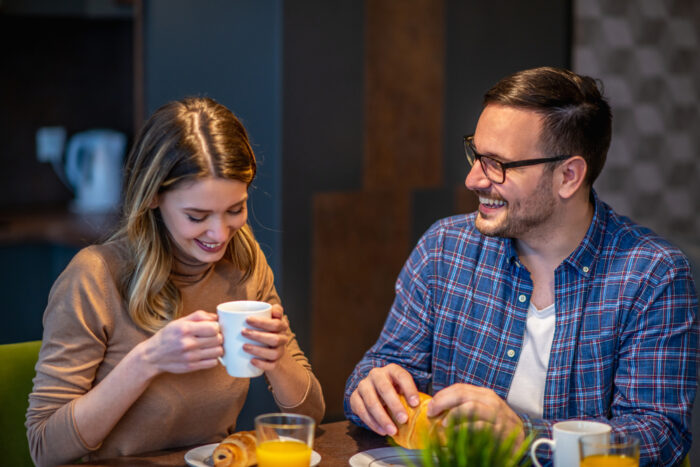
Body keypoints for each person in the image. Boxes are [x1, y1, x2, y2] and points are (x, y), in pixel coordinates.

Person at [344, 67, 697, 466]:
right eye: (476, 154)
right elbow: (382, 367)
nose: (473, 179)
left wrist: (526, 437)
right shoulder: (444, 249)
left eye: (498, 164)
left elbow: (658, 435)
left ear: (568, 176)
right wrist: (370, 387)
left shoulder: (653, 275)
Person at [26, 97, 325, 467]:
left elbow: (311, 417)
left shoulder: (245, 263)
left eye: (235, 209)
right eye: (197, 216)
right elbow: (44, 448)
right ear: (153, 197)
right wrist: (147, 360)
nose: (220, 233)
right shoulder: (94, 276)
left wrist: (276, 360)